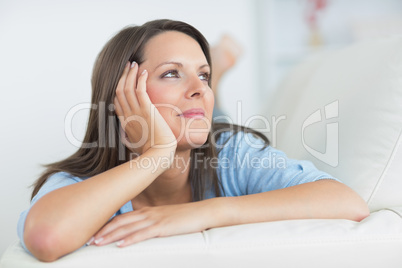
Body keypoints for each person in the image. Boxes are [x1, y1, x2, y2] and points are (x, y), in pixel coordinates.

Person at [18, 19, 369, 262]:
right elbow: (47, 237)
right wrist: (155, 155)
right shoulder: (82, 184)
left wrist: (204, 212)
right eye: (172, 73)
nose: (200, 88)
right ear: (121, 95)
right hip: (176, 134)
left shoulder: (233, 152)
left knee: (217, 123)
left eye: (204, 75)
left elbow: (348, 203)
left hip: (213, 135)